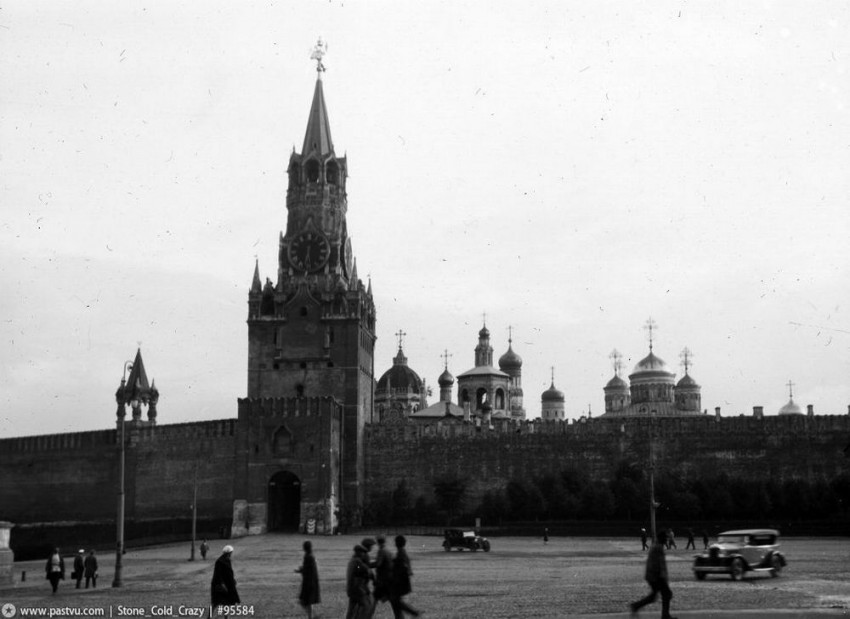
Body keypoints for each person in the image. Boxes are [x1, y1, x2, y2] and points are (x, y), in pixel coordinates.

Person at [630, 531, 676, 619]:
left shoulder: (657, 546)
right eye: (665, 538)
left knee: (654, 596)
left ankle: (636, 606)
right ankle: (665, 615)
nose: (666, 539)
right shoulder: (658, 548)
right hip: (656, 576)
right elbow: (658, 564)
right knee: (667, 594)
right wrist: (662, 577)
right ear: (661, 538)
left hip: (653, 576)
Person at [390, 535, 421, 618]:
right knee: (395, 603)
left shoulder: (401, 554)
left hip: (400, 582)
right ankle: (412, 612)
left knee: (395, 601)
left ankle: (413, 611)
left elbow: (403, 567)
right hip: (402, 581)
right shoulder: (402, 553)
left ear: (396, 543)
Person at [345, 544, 373, 619]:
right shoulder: (357, 562)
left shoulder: (351, 561)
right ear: (358, 552)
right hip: (356, 589)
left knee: (351, 608)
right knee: (366, 605)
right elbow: (365, 569)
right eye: (362, 552)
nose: (363, 554)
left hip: (350, 589)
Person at [296, 540, 320, 618]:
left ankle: (313, 616)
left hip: (308, 583)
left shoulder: (307, 557)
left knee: (303, 602)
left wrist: (300, 570)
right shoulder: (311, 556)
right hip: (312, 582)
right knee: (308, 603)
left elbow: (307, 570)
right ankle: (312, 616)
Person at [211, 545, 240, 609]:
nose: (231, 554)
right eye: (231, 553)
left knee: (226, 603)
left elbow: (229, 572)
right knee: (216, 603)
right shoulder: (219, 561)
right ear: (228, 553)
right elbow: (218, 574)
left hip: (227, 584)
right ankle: (209, 617)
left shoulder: (227, 560)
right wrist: (222, 583)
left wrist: (232, 579)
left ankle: (226, 617)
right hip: (220, 585)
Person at [372, 535, 393, 608]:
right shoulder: (388, 551)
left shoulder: (381, 551)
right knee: (393, 599)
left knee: (373, 600)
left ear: (378, 543)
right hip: (388, 578)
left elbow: (378, 563)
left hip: (382, 579)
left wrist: (367, 564)